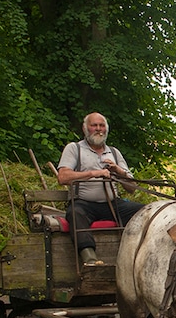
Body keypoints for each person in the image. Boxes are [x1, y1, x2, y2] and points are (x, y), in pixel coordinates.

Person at [56, 112, 143, 265]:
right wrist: (93, 173)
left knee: (144, 212)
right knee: (75, 214)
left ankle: (139, 256)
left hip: (112, 204)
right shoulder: (74, 148)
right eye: (94, 125)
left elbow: (132, 188)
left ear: (106, 130)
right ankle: (90, 259)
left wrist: (118, 171)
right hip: (84, 203)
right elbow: (62, 177)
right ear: (85, 129)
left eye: (101, 125)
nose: (98, 129)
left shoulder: (114, 152)